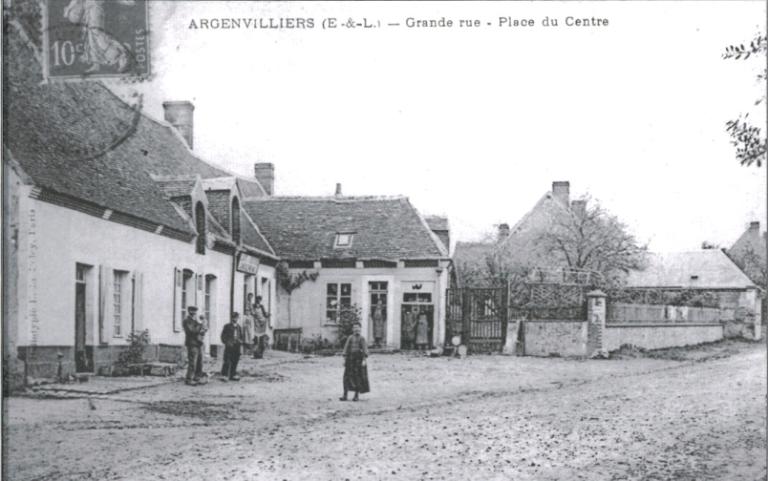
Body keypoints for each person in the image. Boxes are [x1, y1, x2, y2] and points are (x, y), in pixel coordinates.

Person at [340, 323, 370, 402]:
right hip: (350, 359)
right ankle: (345, 395)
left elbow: (365, 350)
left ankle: (356, 395)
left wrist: (364, 360)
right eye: (355, 328)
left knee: (357, 377)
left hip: (358, 360)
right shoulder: (350, 338)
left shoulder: (362, 338)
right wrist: (344, 359)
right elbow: (346, 348)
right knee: (346, 377)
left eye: (358, 328)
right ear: (352, 329)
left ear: (360, 329)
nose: (356, 329)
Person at [182, 306, 206, 386]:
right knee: (193, 362)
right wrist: (200, 325)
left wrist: (203, 328)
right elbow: (192, 331)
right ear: (189, 311)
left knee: (199, 361)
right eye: (192, 311)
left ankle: (197, 377)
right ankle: (189, 379)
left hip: (198, 343)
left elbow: (200, 331)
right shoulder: (187, 321)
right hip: (192, 343)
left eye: (195, 311)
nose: (194, 313)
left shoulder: (195, 321)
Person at [220, 312, 243, 381]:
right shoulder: (227, 326)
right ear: (231, 318)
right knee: (227, 360)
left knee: (235, 360)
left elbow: (241, 336)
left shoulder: (239, 327)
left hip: (237, 346)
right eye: (233, 317)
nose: (235, 319)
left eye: (236, 317)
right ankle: (224, 375)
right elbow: (223, 336)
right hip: (229, 346)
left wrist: (240, 341)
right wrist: (227, 342)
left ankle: (233, 374)